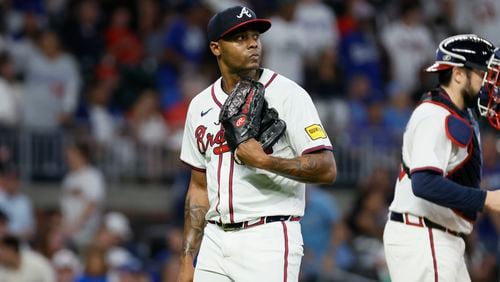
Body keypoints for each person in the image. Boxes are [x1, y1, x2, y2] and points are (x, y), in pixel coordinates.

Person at [178, 5, 336, 282]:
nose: (252, 43)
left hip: (268, 236)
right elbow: (199, 187)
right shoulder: (200, 105)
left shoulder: (289, 95)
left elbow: (326, 168)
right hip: (215, 239)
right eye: (240, 38)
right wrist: (187, 258)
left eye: (255, 36)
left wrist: (265, 161)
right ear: (216, 48)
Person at [383, 34, 500, 281]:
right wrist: (486, 199)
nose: (490, 84)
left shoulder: (458, 115)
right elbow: (424, 183)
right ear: (458, 74)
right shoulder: (434, 115)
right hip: (423, 235)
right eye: (483, 74)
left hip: (437, 237)